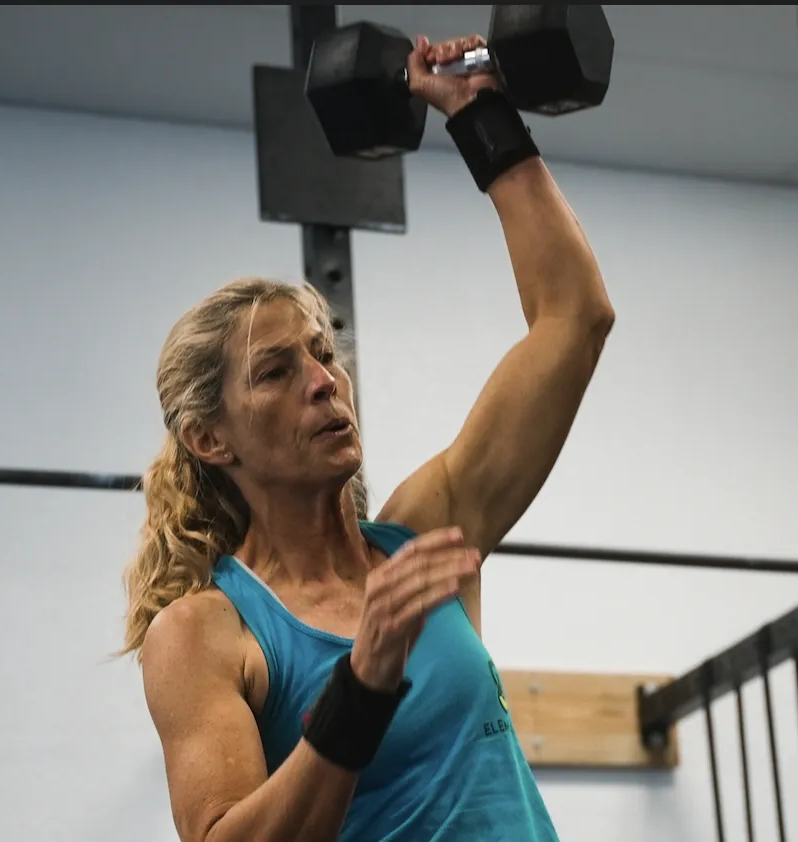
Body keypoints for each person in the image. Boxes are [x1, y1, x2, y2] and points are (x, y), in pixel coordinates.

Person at [120, 33, 615, 842]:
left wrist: (482, 116)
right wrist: (361, 686)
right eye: (276, 372)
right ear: (211, 438)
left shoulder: (427, 534)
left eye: (323, 354)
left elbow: (574, 318)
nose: (324, 380)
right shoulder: (205, 632)